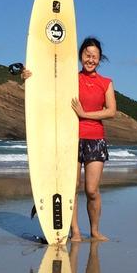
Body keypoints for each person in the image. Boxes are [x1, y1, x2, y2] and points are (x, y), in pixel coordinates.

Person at [22, 37, 117, 241]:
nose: (90, 59)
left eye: (94, 57)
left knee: (91, 190)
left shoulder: (106, 83)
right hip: (70, 138)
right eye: (87, 55)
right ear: (80, 56)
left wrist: (85, 114)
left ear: (100, 59)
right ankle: (74, 231)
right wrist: (29, 76)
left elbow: (111, 111)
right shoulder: (70, 80)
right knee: (70, 186)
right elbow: (47, 86)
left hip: (95, 139)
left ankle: (94, 230)